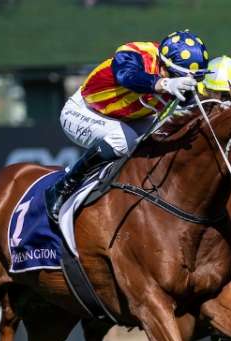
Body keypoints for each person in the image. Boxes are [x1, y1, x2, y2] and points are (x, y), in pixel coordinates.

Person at [46, 30, 210, 222]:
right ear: (164, 64)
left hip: (127, 118)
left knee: (166, 137)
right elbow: (126, 76)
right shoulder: (135, 53)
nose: (183, 83)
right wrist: (165, 83)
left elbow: (199, 103)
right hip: (83, 112)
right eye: (178, 77)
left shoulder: (173, 68)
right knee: (123, 141)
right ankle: (64, 186)